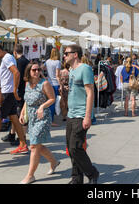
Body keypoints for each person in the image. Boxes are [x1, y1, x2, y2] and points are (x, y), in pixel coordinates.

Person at [19, 62, 60, 184]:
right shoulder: (28, 84)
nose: (37, 72)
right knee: (37, 145)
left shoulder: (45, 83)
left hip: (43, 117)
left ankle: (30, 175)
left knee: (34, 146)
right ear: (29, 72)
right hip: (32, 117)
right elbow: (27, 100)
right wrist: (22, 113)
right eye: (34, 70)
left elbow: (52, 98)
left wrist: (42, 106)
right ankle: (54, 162)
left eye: (38, 70)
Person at [64, 44, 99, 184]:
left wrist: (87, 116)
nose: (64, 56)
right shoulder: (71, 70)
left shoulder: (85, 68)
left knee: (75, 147)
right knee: (70, 148)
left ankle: (92, 173)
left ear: (75, 54)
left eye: (66, 53)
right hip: (71, 114)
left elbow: (90, 93)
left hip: (81, 114)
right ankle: (77, 178)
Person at [0, 42, 28, 155]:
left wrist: (15, 90)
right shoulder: (9, 57)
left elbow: (16, 73)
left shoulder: (6, 58)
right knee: (14, 118)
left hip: (7, 93)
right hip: (9, 92)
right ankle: (23, 144)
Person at [2, 44, 30, 146]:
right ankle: (12, 134)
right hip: (23, 90)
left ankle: (21, 137)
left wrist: (14, 89)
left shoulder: (17, 62)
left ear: (14, 52)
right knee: (15, 114)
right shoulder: (27, 61)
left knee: (20, 115)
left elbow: (17, 75)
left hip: (19, 91)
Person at [45, 48, 61, 125]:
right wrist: (60, 85)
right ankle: (51, 120)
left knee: (49, 101)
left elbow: (41, 68)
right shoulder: (57, 62)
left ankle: (48, 119)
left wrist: (44, 77)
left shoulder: (47, 61)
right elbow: (57, 75)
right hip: (55, 84)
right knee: (53, 102)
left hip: (48, 83)